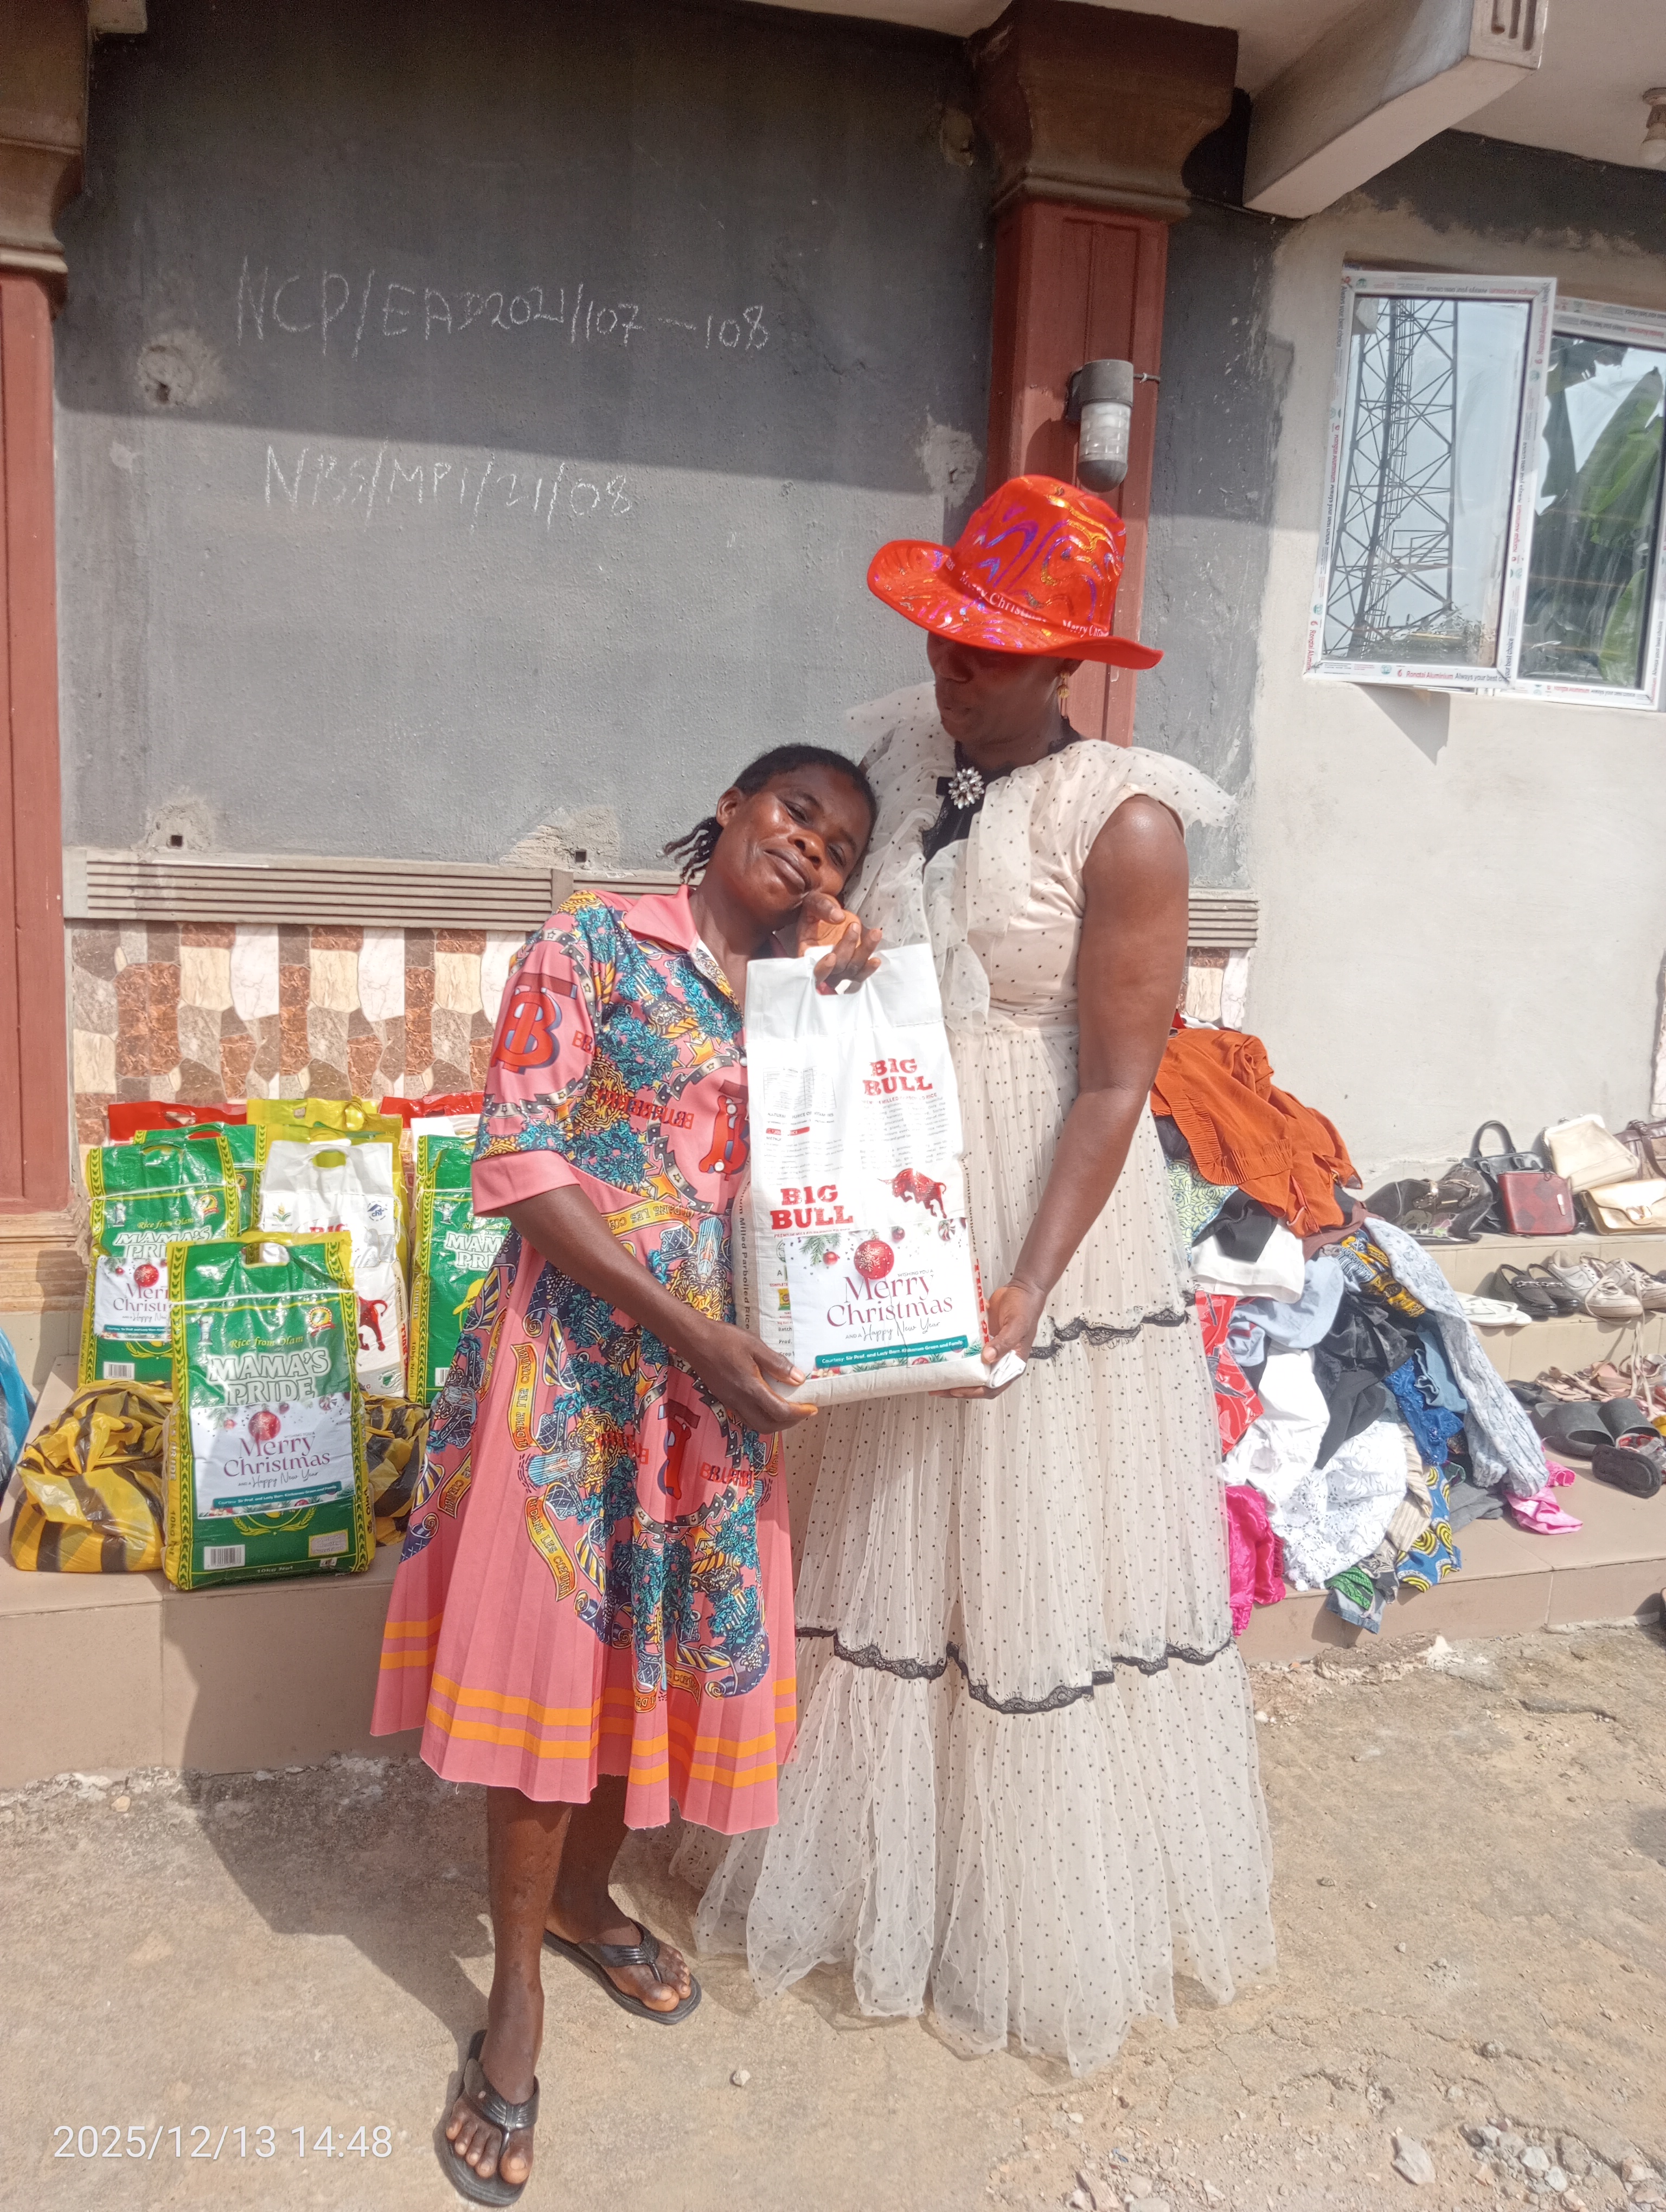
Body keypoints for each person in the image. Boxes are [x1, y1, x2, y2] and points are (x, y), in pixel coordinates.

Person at [690, 475, 1276, 2075]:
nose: (954, 669)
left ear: (1064, 659)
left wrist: (1032, 1273)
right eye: (945, 636)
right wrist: (834, 954)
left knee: (1018, 1546)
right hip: (877, 1179)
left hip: (1034, 1203)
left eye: (990, 651)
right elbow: (830, 912)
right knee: (885, 1535)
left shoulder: (1128, 819)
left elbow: (1117, 1076)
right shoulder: (894, 753)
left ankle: (1006, 1906)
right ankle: (876, 1862)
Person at [371, 744, 881, 2204]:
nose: (811, 859)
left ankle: (591, 1898)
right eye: (795, 819)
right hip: (583, 1372)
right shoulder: (590, 944)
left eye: (841, 849)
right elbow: (527, 1170)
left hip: (718, 1391)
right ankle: (514, 1999)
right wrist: (692, 1338)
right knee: (548, 1682)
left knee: (645, 1672)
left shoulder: (796, 1000)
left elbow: (850, 1169)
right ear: (729, 807)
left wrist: (847, 998)